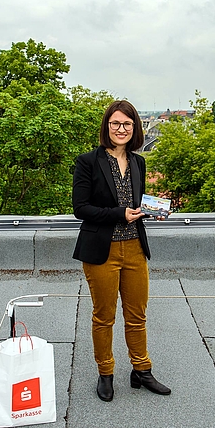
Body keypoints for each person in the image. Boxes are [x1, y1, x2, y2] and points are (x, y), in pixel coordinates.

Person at [72, 100, 171, 402]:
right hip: (102, 250)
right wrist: (119, 214)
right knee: (104, 317)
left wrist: (154, 209)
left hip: (135, 248)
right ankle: (106, 373)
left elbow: (135, 202)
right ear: (107, 126)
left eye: (127, 124)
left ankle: (141, 370)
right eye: (115, 123)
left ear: (135, 128)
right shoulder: (87, 161)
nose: (121, 129)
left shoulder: (139, 162)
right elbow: (80, 208)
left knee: (137, 315)